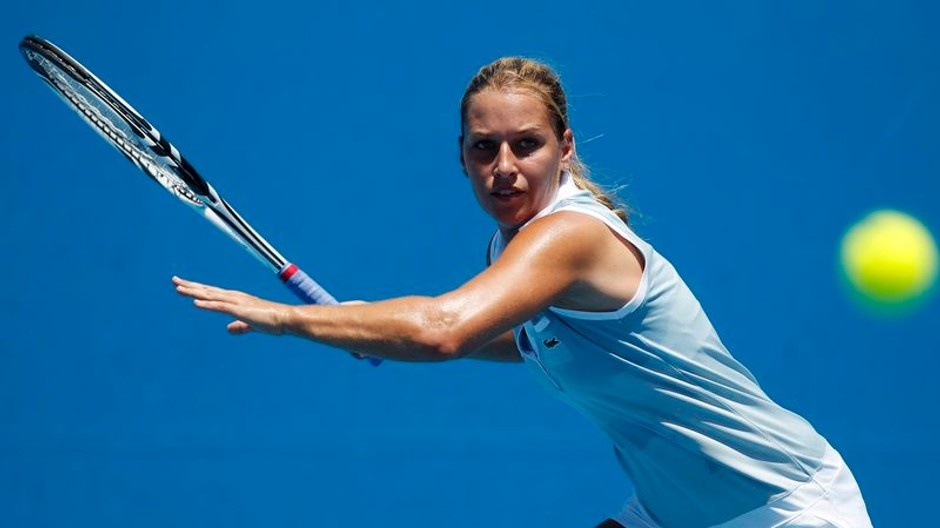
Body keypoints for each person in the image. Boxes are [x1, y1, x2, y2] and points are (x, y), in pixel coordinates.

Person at [174, 57, 873, 527]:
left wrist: (287, 320)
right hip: (677, 512)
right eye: (484, 147)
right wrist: (362, 322)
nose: (503, 166)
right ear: (461, 157)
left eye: (526, 145)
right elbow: (521, 339)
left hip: (786, 506)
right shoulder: (511, 245)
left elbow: (443, 329)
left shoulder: (569, 235)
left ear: (564, 147)